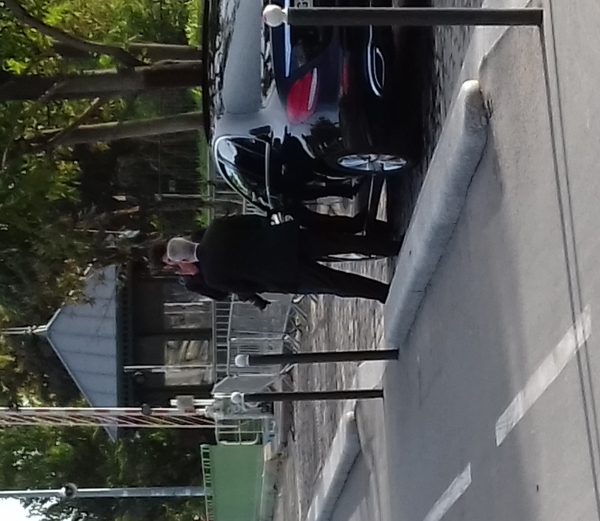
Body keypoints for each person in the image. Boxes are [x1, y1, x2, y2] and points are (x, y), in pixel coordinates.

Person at [152, 214, 400, 304]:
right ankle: (390, 247)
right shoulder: (217, 227)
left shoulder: (213, 276)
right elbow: (254, 221)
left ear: (183, 260)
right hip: (286, 240)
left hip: (283, 273)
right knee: (342, 243)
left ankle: (382, 292)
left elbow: (246, 288)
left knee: (336, 283)